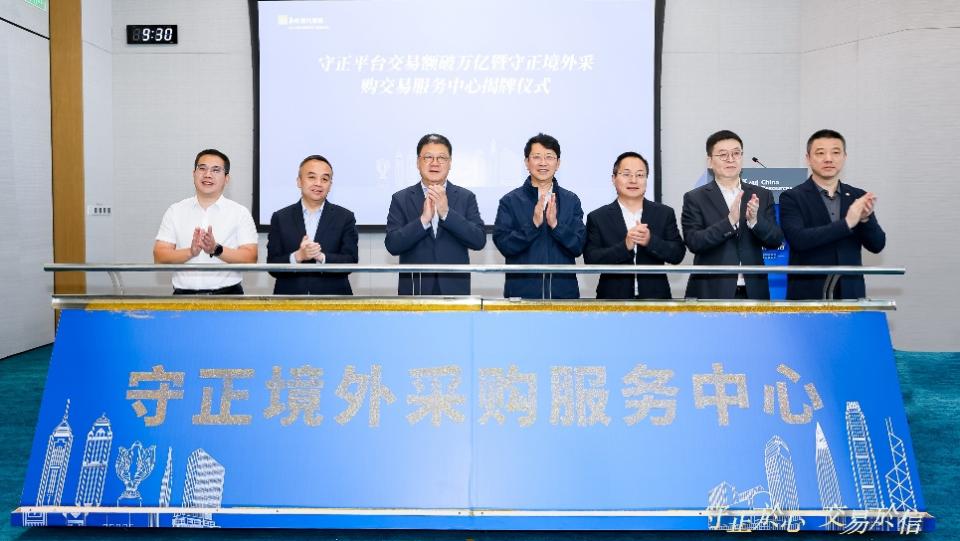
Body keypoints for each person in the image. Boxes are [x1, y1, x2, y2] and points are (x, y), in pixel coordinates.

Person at [779, 129, 885, 299]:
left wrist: (865, 219)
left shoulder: (857, 196)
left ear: (844, 157)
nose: (828, 159)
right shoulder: (792, 197)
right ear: (808, 158)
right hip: (808, 294)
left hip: (851, 294)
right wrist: (847, 223)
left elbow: (877, 245)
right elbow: (798, 240)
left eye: (835, 152)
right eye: (820, 153)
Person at [681, 130, 783, 299]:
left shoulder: (761, 195)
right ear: (710, 162)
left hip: (754, 292)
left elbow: (776, 240)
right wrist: (729, 222)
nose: (730, 159)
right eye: (723, 155)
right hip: (712, 292)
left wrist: (755, 221)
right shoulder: (695, 198)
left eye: (736, 153)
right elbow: (694, 242)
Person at [385, 133, 486, 295]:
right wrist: (423, 220)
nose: (435, 163)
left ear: (450, 163)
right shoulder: (401, 198)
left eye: (441, 158)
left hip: (454, 289)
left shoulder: (466, 197)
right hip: (415, 289)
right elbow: (393, 245)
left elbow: (478, 241)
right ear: (418, 162)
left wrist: (446, 213)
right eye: (428, 157)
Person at [493, 133, 586, 299]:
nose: (543, 163)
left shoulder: (571, 200)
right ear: (526, 162)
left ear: (558, 163)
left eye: (549, 157)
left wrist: (556, 226)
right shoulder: (510, 201)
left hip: (563, 295)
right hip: (522, 296)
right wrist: (533, 225)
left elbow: (578, 246)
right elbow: (504, 245)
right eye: (536, 157)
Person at [154, 149, 258, 294]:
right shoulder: (175, 211)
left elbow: (250, 258)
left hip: (228, 296)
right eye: (202, 168)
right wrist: (190, 252)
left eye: (216, 170)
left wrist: (216, 249)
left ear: (226, 178)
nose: (208, 174)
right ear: (194, 174)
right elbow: (159, 256)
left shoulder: (240, 213)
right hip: (183, 297)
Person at [584, 152, 685, 299]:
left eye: (640, 175)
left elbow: (677, 254)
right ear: (614, 179)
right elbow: (591, 259)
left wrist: (650, 241)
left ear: (646, 179)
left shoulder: (664, 213)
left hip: (655, 300)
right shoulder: (598, 217)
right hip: (613, 301)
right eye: (626, 174)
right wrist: (625, 246)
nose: (633, 180)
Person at [266, 155, 359, 295]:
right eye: (312, 177)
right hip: (290, 300)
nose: (318, 183)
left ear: (330, 185)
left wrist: (321, 257)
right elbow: (272, 265)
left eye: (324, 179)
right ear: (299, 181)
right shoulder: (280, 217)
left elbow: (351, 260)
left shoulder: (345, 217)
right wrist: (298, 256)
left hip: (333, 299)